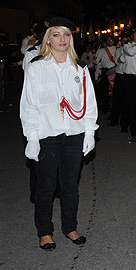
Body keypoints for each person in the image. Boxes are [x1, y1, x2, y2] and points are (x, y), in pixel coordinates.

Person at [20, 17, 98, 251]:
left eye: (66, 34)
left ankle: (70, 227)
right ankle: (45, 231)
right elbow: (29, 104)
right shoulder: (36, 66)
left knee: (70, 185)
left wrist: (89, 132)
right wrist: (32, 137)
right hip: (47, 135)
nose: (62, 39)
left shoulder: (80, 67)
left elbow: (89, 103)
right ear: (47, 39)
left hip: (74, 134)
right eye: (56, 34)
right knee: (46, 186)